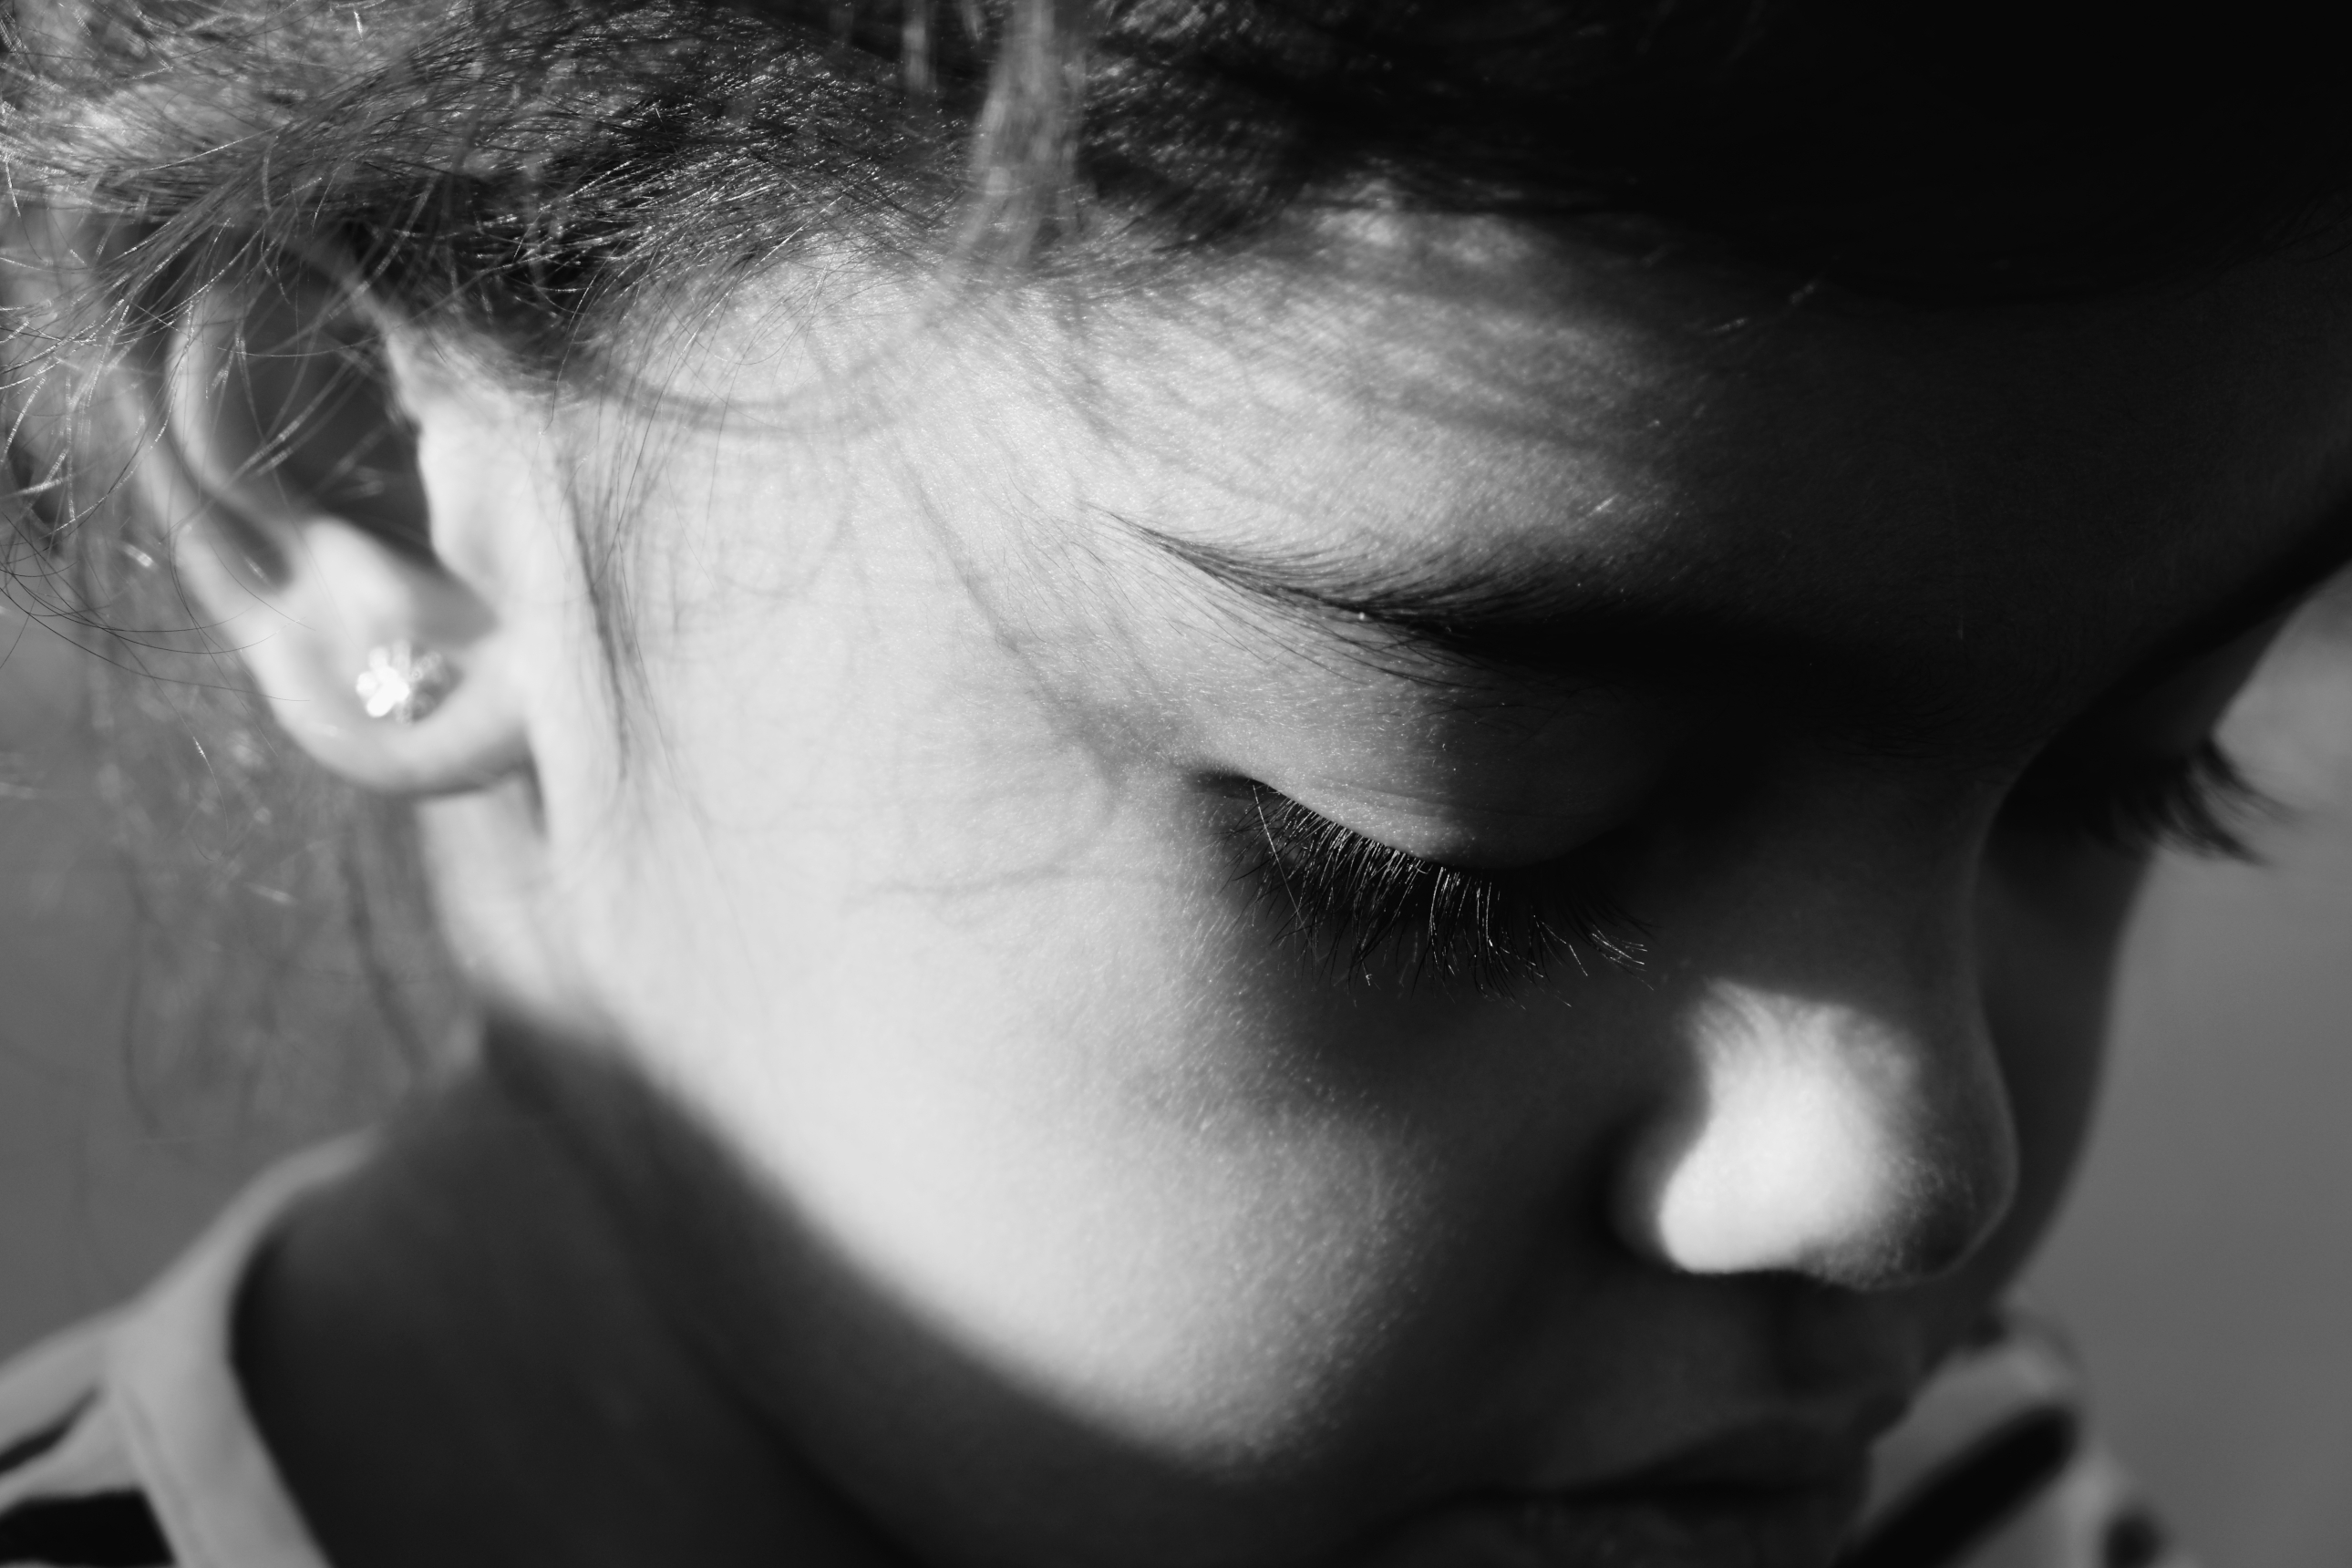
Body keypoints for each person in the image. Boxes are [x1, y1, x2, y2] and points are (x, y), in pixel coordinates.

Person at [2, 2, 2348, 1564]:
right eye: (1462, 840)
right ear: (373, 482)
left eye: (2125, 775)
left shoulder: (1961, 1505)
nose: (1909, 1173)